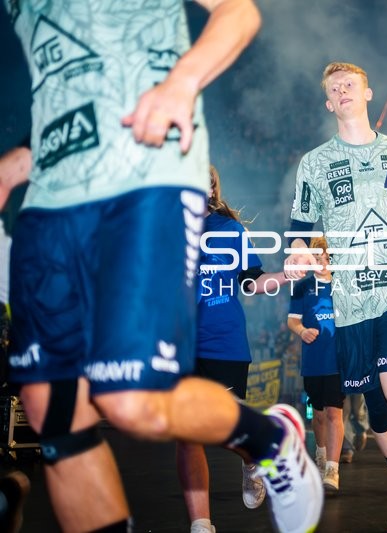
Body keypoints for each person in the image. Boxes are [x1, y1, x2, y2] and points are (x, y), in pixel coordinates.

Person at [2, 3, 323, 532]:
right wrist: (19, 161)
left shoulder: (226, 230)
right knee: (51, 411)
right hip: (51, 194)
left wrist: (183, 81)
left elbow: (237, 11)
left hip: (143, 173)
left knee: (132, 402)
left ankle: (271, 440)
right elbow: (66, 82)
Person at [285, 62, 387, 533]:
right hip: (350, 300)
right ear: (329, 104)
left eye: (350, 84)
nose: (342, 90)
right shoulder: (314, 162)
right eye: (335, 88)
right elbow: (299, 229)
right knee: (377, 412)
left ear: (367, 93)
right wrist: (296, 252)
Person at [178, 165, 292, 533]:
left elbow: (253, 282)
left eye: (209, 182)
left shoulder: (230, 230)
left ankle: (252, 458)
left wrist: (287, 275)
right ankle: (201, 524)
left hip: (223, 342)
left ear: (213, 190)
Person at [287, 236, 345, 494]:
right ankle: (321, 455)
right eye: (317, 258)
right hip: (312, 362)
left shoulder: (344, 285)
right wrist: (302, 332)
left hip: (338, 362)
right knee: (319, 414)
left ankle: (332, 469)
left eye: (326, 257)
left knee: (335, 413)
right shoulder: (301, 288)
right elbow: (293, 321)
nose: (322, 262)